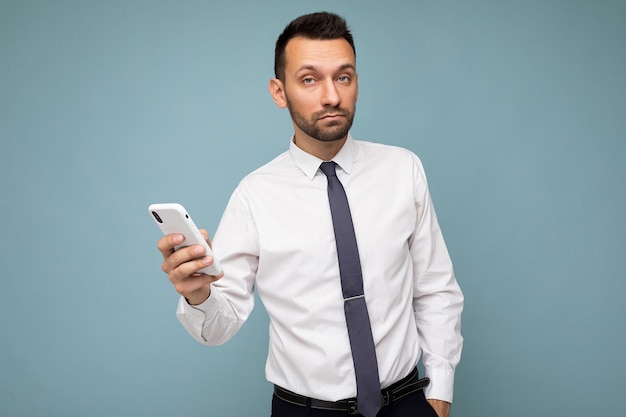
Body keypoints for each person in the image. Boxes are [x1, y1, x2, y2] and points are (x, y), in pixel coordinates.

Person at [157, 11, 463, 417]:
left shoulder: (403, 170)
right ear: (279, 91)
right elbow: (218, 327)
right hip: (304, 410)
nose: (331, 96)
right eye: (309, 79)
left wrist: (439, 393)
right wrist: (198, 295)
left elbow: (436, 289)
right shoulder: (255, 195)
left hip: (405, 403)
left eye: (343, 77)